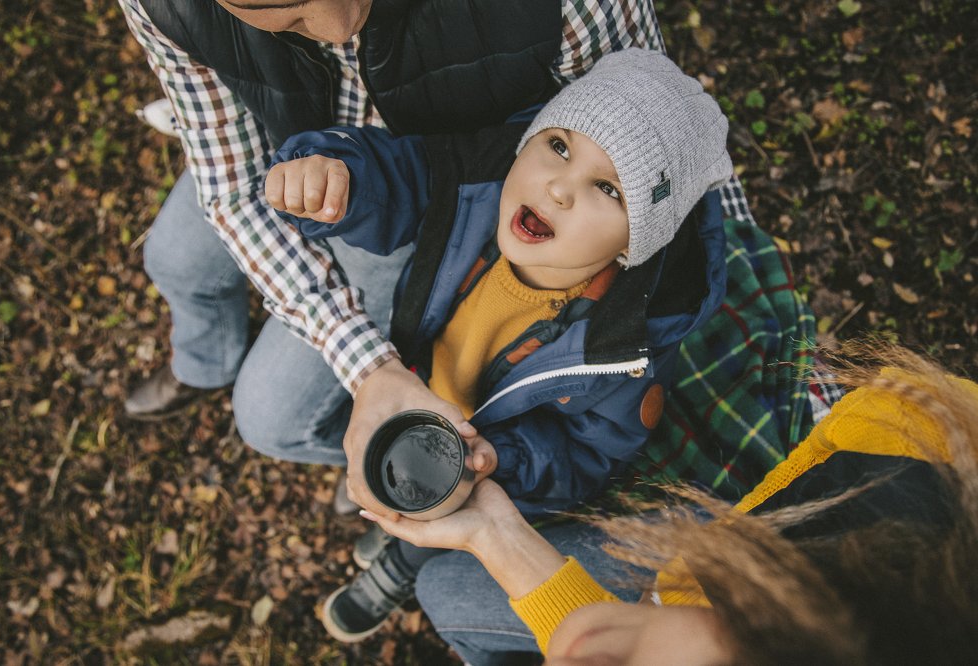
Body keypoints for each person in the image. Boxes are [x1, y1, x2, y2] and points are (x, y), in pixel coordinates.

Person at [116, 0, 671, 515]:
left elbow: (654, 131)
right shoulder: (164, 6)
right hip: (293, 149)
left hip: (426, 199)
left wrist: (374, 377)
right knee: (174, 260)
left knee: (269, 418)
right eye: (282, 8)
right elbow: (232, 187)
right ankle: (204, 362)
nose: (338, 29)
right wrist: (365, 360)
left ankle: (394, 452)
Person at [264, 48, 733, 641]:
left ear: (632, 246)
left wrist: (500, 460)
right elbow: (398, 179)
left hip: (491, 467)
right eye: (559, 146)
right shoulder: (474, 189)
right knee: (395, 479)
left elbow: (587, 458)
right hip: (417, 390)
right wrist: (335, 178)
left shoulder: (624, 351)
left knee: (439, 524)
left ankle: (401, 566)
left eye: (608, 189)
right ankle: (392, 519)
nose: (559, 188)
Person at [367, 342, 978, 664]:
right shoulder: (903, 436)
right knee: (445, 590)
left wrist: (492, 534)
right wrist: (494, 533)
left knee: (444, 593)